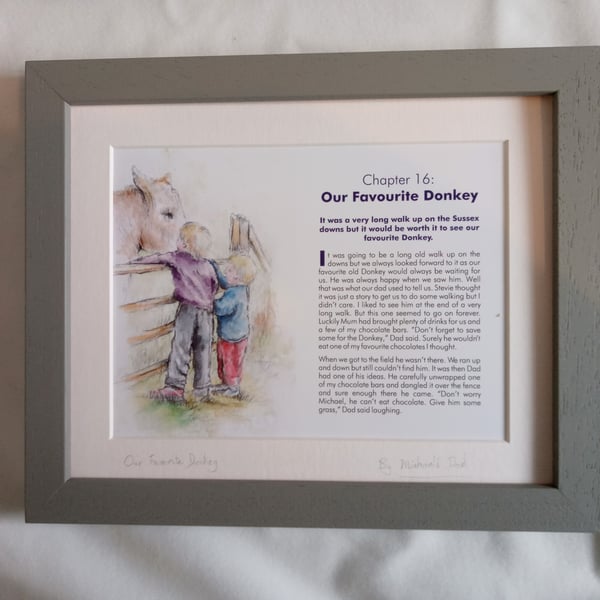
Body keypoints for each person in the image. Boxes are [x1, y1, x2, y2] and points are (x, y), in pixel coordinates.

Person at [131, 222, 218, 404]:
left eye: (179, 238)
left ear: (185, 244)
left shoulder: (177, 258)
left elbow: (156, 259)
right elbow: (214, 286)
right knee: (203, 350)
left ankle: (175, 387)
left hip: (187, 310)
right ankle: (202, 389)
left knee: (181, 347)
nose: (176, 241)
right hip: (206, 314)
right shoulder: (208, 265)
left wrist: (134, 261)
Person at [211, 253, 257, 398]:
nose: (226, 272)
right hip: (240, 334)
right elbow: (225, 281)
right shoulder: (241, 289)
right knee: (234, 362)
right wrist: (216, 270)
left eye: (230, 270)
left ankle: (231, 388)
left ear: (237, 277)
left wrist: (209, 300)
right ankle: (229, 384)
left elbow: (220, 308)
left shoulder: (233, 294)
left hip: (230, 336)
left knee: (228, 361)